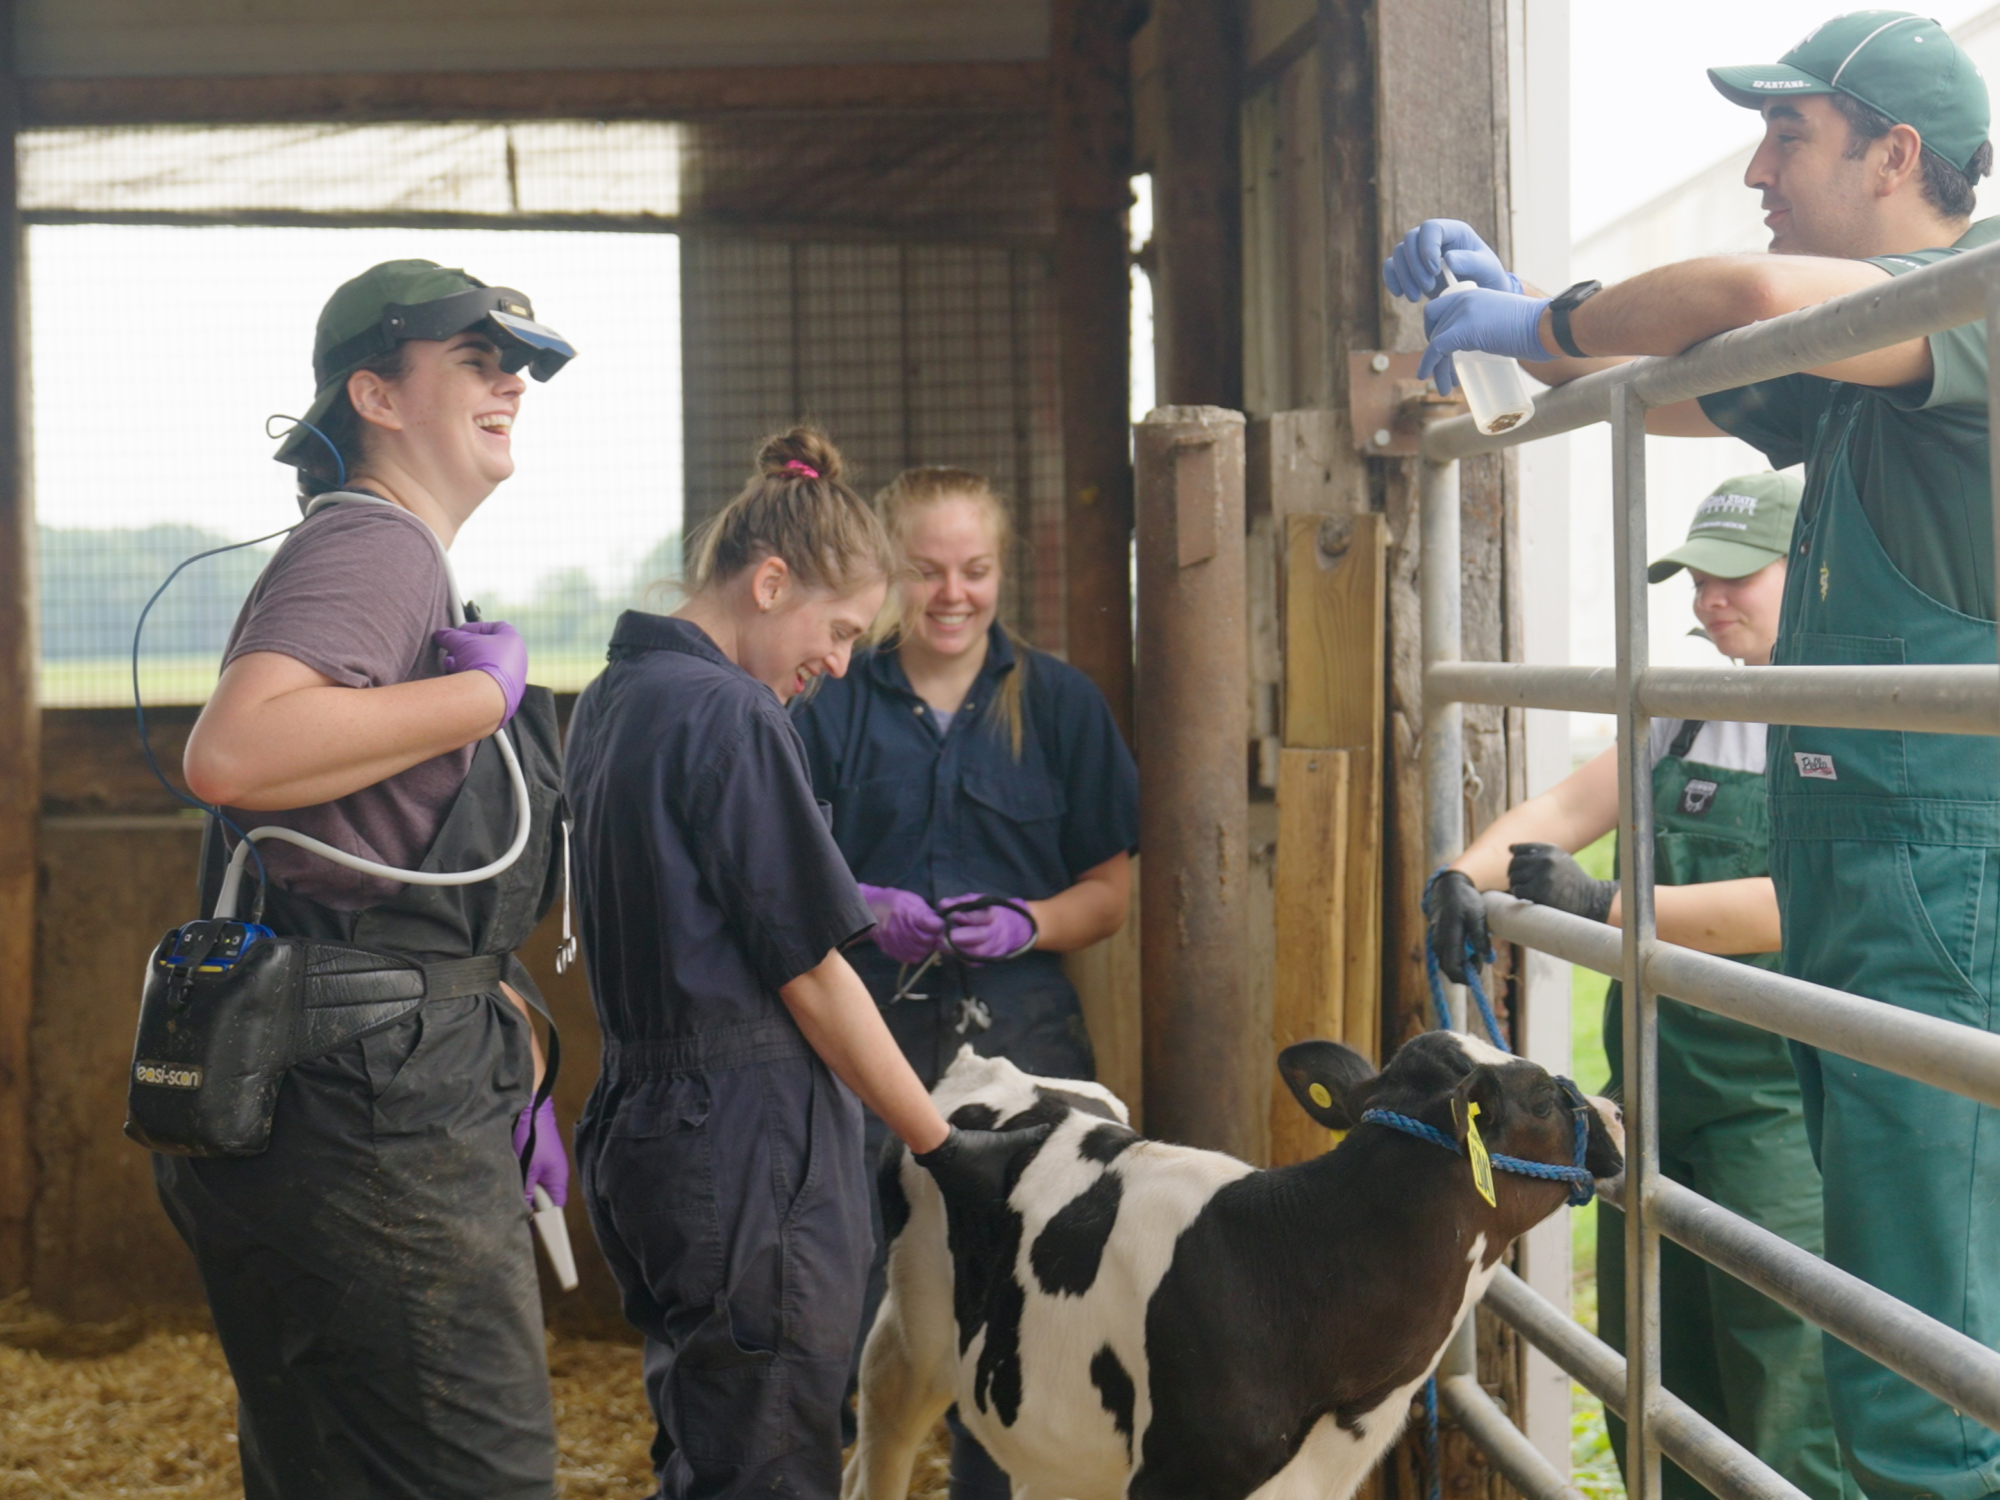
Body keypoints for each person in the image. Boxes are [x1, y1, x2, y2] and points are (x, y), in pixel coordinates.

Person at [1389, 13, 2000, 1497]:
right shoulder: (1861, 353)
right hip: (1867, 872)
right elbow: (1664, 388)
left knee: (1926, 1359)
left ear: (1895, 154)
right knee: (1881, 1320)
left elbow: (1730, 293)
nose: (1758, 168)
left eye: (1788, 135)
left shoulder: (1966, 302)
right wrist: (1517, 361)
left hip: (1936, 873)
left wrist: (1546, 313)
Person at [158, 259, 577, 1499]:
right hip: (371, 1125)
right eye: (475, 358)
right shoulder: (377, 548)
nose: (510, 380)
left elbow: (363, 878)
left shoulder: (393, 556)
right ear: (376, 396)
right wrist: (477, 695)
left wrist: (507, 1045)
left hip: (362, 1087)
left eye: (518, 364)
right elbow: (232, 753)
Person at [566, 430, 1007, 1500]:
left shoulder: (611, 698)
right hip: (744, 1134)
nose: (841, 663)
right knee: (767, 1459)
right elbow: (810, 975)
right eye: (841, 628)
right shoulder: (729, 713)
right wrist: (939, 1145)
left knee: (707, 1441)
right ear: (770, 582)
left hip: (644, 1123)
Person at [1427, 473, 1855, 1500]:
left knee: (1781, 1395)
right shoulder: (1685, 710)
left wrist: (1611, 904)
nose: (1709, 603)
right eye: (1696, 581)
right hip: (1655, 1097)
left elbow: (1808, 901)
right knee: (1651, 1378)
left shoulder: (1849, 708)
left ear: (1811, 571)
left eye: (1733, 579)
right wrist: (1463, 874)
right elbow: (1564, 805)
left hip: (1780, 1111)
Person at [790, 465, 1139, 1500]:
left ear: (1001, 573)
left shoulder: (1061, 704)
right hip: (864, 1026)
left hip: (1020, 1026)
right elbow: (773, 868)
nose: (952, 593)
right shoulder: (830, 697)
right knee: (844, 1263)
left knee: (1008, 1283)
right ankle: (852, 1478)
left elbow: (1110, 887)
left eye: (974, 569)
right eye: (927, 569)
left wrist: (1031, 920)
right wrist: (856, 901)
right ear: (889, 572)